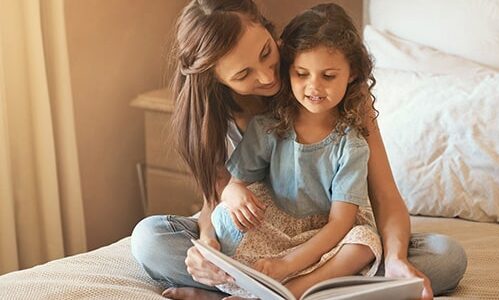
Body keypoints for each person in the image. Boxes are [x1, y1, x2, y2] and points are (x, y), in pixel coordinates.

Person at [130, 0, 467, 299]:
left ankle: (253, 292)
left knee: (445, 258)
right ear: (216, 79)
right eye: (245, 73)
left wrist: (396, 259)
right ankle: (287, 290)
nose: (267, 76)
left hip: (331, 237)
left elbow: (384, 195)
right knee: (150, 239)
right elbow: (217, 198)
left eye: (266, 52)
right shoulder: (216, 115)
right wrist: (206, 244)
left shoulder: (326, 82)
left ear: (266, 27)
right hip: (263, 236)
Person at [211, 4, 383, 298]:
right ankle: (252, 288)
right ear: (289, 69)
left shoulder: (351, 145)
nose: (313, 87)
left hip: (327, 234)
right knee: (224, 218)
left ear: (352, 74)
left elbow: (341, 222)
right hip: (277, 227)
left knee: (365, 244)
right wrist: (233, 192)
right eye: (301, 74)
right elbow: (235, 181)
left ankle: (294, 289)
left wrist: (288, 263)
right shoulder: (269, 126)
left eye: (328, 76)